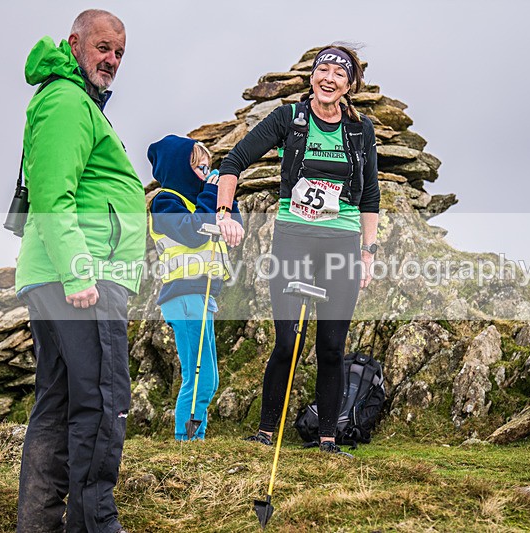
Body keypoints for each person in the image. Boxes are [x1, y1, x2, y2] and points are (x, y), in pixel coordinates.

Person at [13, 10, 145, 533]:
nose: (111, 60)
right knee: (102, 402)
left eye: (119, 53)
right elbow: (51, 196)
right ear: (76, 43)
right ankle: (95, 525)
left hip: (70, 275)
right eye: (103, 48)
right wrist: (78, 272)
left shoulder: (75, 101)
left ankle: (39, 526)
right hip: (82, 279)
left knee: (60, 402)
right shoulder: (67, 101)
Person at [216, 44, 380, 457]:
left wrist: (368, 253)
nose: (329, 78)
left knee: (331, 346)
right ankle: (265, 434)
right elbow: (234, 161)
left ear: (349, 85)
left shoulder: (361, 131)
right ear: (312, 77)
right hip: (293, 239)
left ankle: (328, 440)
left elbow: (371, 197)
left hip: (342, 243)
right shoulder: (289, 118)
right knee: (287, 341)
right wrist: (224, 212)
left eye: (339, 74)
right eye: (323, 69)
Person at [146, 135, 241, 441]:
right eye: (199, 167)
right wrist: (209, 193)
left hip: (203, 296)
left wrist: (224, 199)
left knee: (209, 379)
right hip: (183, 295)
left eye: (207, 167)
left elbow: (232, 228)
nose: (205, 173)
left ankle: (193, 438)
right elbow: (194, 233)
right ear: (179, 169)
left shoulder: (200, 200)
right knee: (197, 376)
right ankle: (185, 441)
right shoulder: (165, 203)